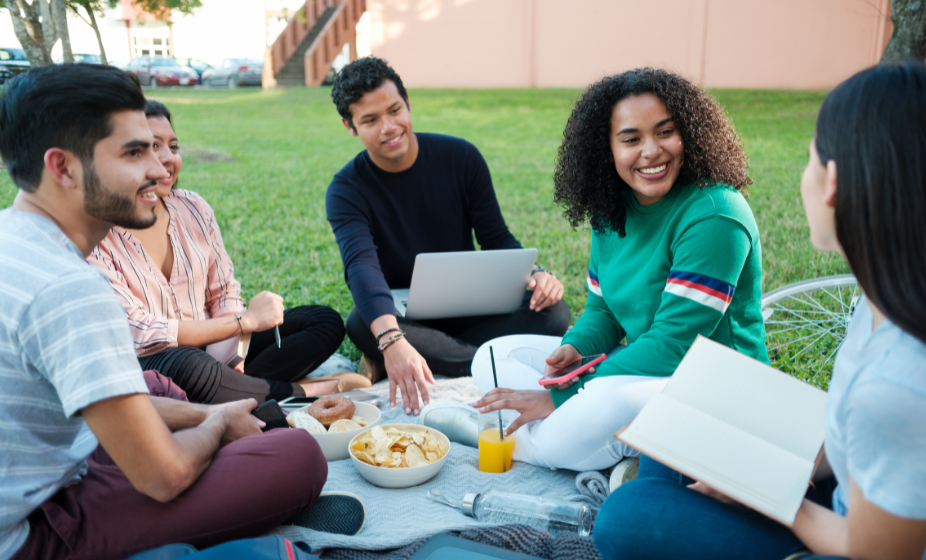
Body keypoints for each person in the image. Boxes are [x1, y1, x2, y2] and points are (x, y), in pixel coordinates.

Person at [593, 61, 926, 559]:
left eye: (807, 158)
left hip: (857, 545)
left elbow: (874, 554)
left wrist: (770, 493)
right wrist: (788, 468)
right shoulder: (898, 301)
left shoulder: (904, 385)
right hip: (856, 498)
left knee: (626, 516)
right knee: (675, 436)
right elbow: (846, 431)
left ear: (832, 183)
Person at [0, 64, 364, 560]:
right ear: (62, 167)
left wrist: (209, 411)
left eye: (158, 147)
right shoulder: (72, 288)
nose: (158, 168)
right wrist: (214, 427)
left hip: (60, 461)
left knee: (154, 387)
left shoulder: (14, 240)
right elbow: (164, 476)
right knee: (296, 456)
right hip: (35, 531)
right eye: (133, 152)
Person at [425, 67, 768, 472]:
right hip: (649, 369)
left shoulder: (715, 214)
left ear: (689, 134)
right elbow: (603, 311)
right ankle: (607, 443)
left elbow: (674, 345)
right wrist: (574, 350)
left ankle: (502, 436)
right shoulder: (614, 210)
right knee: (493, 356)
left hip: (714, 391)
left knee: (607, 401)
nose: (651, 150)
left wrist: (558, 397)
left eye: (665, 132)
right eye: (631, 139)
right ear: (607, 148)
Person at [327, 56, 570, 416]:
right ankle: (486, 359)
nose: (389, 127)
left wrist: (536, 274)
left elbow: (496, 237)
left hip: (473, 305)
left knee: (553, 312)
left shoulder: (461, 157)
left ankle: (442, 359)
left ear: (408, 102)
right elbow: (361, 267)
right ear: (350, 127)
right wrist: (393, 339)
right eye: (370, 120)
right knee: (362, 323)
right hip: (408, 317)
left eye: (395, 110)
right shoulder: (346, 189)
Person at [87, 100, 366, 405]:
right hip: (157, 363)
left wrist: (235, 349)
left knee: (323, 321)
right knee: (191, 367)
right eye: (153, 146)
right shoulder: (95, 235)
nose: (167, 158)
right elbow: (139, 331)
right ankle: (308, 391)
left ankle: (237, 388)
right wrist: (243, 323)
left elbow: (223, 292)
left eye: (173, 145)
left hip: (214, 349)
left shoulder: (192, 206)